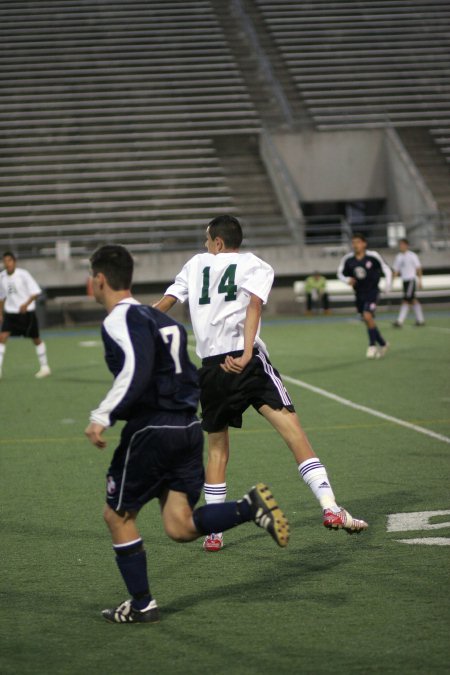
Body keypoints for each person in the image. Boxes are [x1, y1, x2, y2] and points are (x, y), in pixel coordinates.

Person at [84, 244, 289, 624]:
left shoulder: (119, 320)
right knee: (179, 526)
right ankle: (249, 507)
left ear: (98, 280)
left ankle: (142, 603)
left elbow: (136, 369)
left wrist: (102, 415)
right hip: (187, 429)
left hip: (152, 430)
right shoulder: (164, 322)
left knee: (117, 516)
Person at [154, 215, 368, 553]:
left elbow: (164, 306)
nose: (206, 245)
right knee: (294, 433)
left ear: (218, 243)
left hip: (211, 368)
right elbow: (254, 304)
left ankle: (214, 531)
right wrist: (248, 350)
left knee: (217, 449)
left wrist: (138, 326)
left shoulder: (195, 265)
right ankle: (330, 508)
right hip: (247, 361)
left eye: (207, 239)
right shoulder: (255, 264)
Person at [337, 233, 392, 359]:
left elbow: (387, 269)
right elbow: (340, 273)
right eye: (353, 242)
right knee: (367, 320)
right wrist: (347, 280)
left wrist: (388, 286)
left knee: (367, 316)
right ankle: (383, 343)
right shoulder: (348, 259)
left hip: (372, 292)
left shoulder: (373, 256)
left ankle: (372, 345)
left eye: (358, 242)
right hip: (359, 294)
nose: (355, 245)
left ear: (364, 243)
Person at [0, 251, 51, 379]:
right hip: (10, 314)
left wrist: (26, 304)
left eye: (9, 261)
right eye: (5, 261)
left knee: (36, 339)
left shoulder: (23, 274)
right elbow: (1, 297)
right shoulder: (2, 277)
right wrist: (0, 313)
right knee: (2, 338)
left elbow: (35, 292)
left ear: (14, 262)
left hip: (26, 313)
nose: (7, 263)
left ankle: (45, 367)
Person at [392, 238, 425, 327]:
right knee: (413, 300)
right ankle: (420, 320)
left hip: (411, 280)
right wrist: (392, 280)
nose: (401, 246)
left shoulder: (412, 255)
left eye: (402, 244)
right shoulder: (399, 256)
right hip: (404, 281)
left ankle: (399, 321)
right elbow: (396, 270)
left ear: (407, 245)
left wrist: (420, 281)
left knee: (406, 300)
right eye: (400, 245)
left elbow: (418, 268)